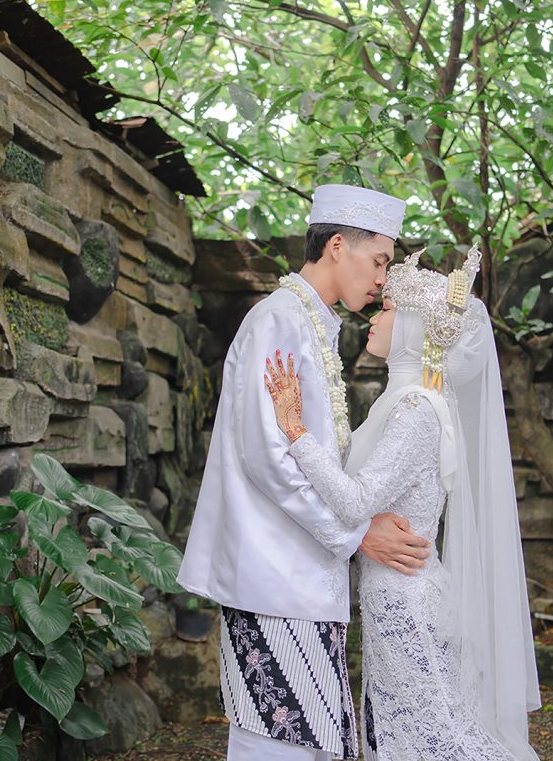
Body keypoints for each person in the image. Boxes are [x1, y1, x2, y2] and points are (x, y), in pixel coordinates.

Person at [177, 184, 431, 761]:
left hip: (307, 575)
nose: (383, 279)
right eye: (379, 261)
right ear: (338, 246)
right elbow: (266, 455)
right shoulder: (278, 321)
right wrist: (357, 534)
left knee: (313, 743)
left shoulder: (313, 321)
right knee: (274, 744)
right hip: (272, 575)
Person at [266, 246, 541, 761]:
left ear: (416, 327)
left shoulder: (415, 410)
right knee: (412, 740)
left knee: (441, 742)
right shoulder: (401, 402)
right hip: (396, 596)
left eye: (389, 309)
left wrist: (295, 431)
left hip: (408, 603)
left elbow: (356, 501)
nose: (375, 316)